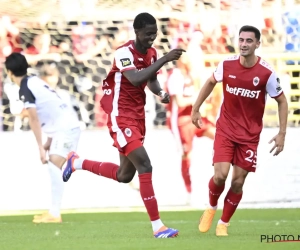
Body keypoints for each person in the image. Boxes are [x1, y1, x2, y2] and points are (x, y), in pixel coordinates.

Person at [62, 12, 185, 238]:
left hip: (137, 117)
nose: (151, 38)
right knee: (145, 166)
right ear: (137, 32)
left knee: (124, 175)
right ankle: (158, 227)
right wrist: (166, 59)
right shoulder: (123, 52)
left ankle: (76, 162)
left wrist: (160, 93)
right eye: (148, 34)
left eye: (154, 33)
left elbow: (150, 79)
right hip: (120, 115)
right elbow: (135, 78)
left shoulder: (152, 53)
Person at [191, 25, 288, 236]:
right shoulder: (226, 65)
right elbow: (209, 82)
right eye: (241, 40)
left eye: (249, 41)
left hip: (249, 136)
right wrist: (196, 108)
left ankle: (223, 223)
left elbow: (282, 101)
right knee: (220, 176)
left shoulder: (266, 73)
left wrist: (282, 133)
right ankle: (211, 207)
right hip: (225, 130)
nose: (244, 44)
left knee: (237, 181)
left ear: (257, 44)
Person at [5, 52, 81, 223]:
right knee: (56, 164)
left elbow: (34, 118)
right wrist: (49, 141)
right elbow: (51, 109)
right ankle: (53, 212)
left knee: (54, 164)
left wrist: (40, 146)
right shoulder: (34, 81)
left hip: (66, 129)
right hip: (65, 127)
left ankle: (54, 213)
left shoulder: (26, 87)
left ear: (9, 72)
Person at [166, 53, 221, 200]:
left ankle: (240, 166)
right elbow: (180, 102)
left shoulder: (192, 75)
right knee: (186, 156)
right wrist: (198, 98)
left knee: (220, 137)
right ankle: (189, 192)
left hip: (196, 117)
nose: (190, 60)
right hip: (181, 121)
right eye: (187, 58)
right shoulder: (176, 76)